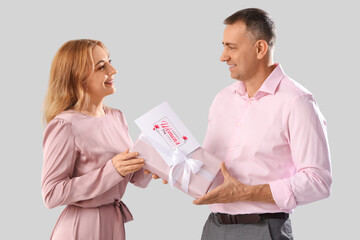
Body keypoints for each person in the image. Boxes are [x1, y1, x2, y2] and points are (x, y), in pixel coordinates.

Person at [193, 8, 332, 240]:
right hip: (213, 228)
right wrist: (171, 167)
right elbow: (209, 167)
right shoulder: (222, 99)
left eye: (232, 47)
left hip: (262, 230)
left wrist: (248, 193)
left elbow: (318, 181)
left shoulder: (297, 102)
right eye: (223, 46)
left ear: (259, 48)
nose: (223, 56)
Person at [41, 39, 153, 240]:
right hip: (82, 227)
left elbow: (134, 177)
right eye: (101, 66)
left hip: (114, 222)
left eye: (109, 61)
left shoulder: (116, 117)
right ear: (77, 77)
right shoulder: (65, 126)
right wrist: (112, 171)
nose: (113, 70)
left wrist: (156, 158)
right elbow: (51, 194)